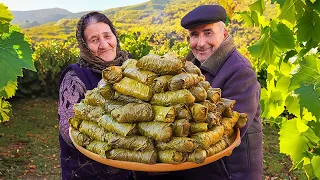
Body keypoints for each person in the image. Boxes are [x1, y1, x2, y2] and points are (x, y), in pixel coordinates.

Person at [135, 4, 262, 180]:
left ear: (224, 34)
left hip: (229, 172)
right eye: (194, 35)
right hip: (199, 168)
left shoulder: (240, 71)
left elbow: (228, 130)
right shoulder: (189, 64)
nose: (201, 43)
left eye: (208, 32)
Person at [58, 11, 133, 180]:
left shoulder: (130, 68)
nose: (104, 44)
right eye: (94, 40)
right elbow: (67, 130)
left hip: (127, 171)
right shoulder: (75, 77)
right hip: (87, 172)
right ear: (84, 45)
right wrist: (114, 143)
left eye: (107, 36)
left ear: (115, 36)